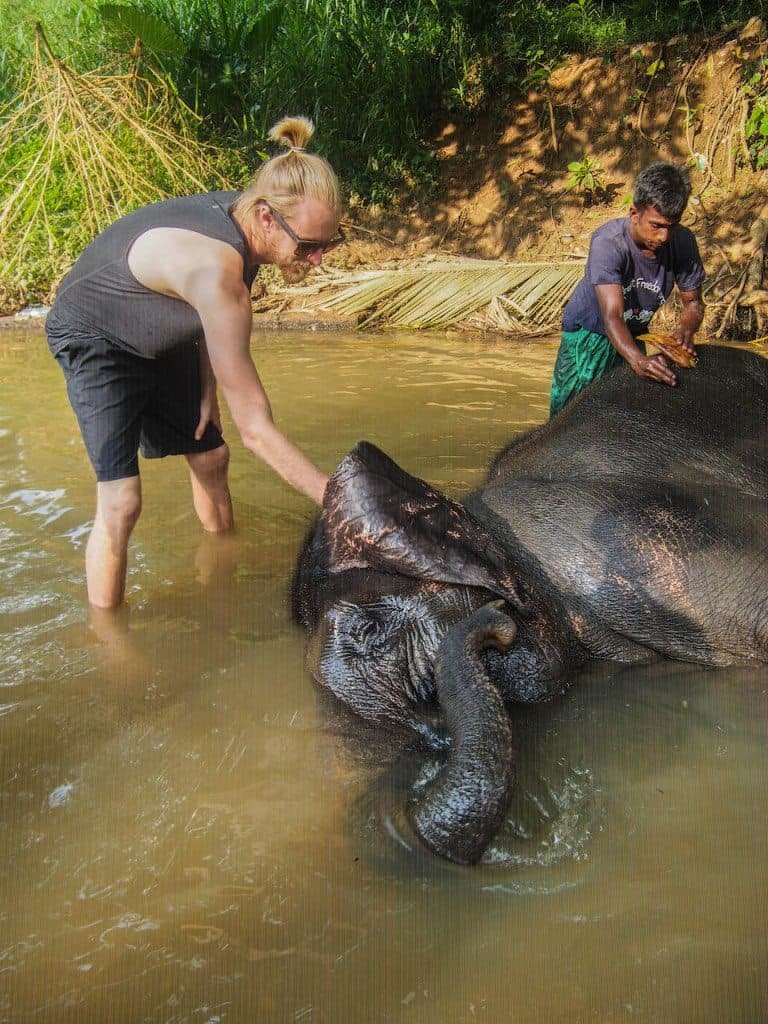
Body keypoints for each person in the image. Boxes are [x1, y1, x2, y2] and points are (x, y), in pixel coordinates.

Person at [46, 115, 344, 609]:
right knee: (121, 502)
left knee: (210, 455)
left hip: (163, 322)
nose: (319, 260)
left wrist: (206, 388)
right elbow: (257, 431)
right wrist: (340, 505)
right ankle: (110, 645)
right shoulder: (218, 270)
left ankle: (220, 570)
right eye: (310, 246)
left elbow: (210, 316)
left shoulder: (250, 216)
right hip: (95, 333)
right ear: (267, 218)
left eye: (330, 243)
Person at [549, 160, 706, 417]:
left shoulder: (683, 242)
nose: (664, 237)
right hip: (591, 334)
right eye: (656, 225)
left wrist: (685, 331)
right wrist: (637, 359)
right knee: (570, 415)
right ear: (635, 214)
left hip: (633, 332)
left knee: (626, 413)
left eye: (672, 226)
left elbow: (694, 303)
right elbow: (612, 315)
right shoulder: (609, 243)